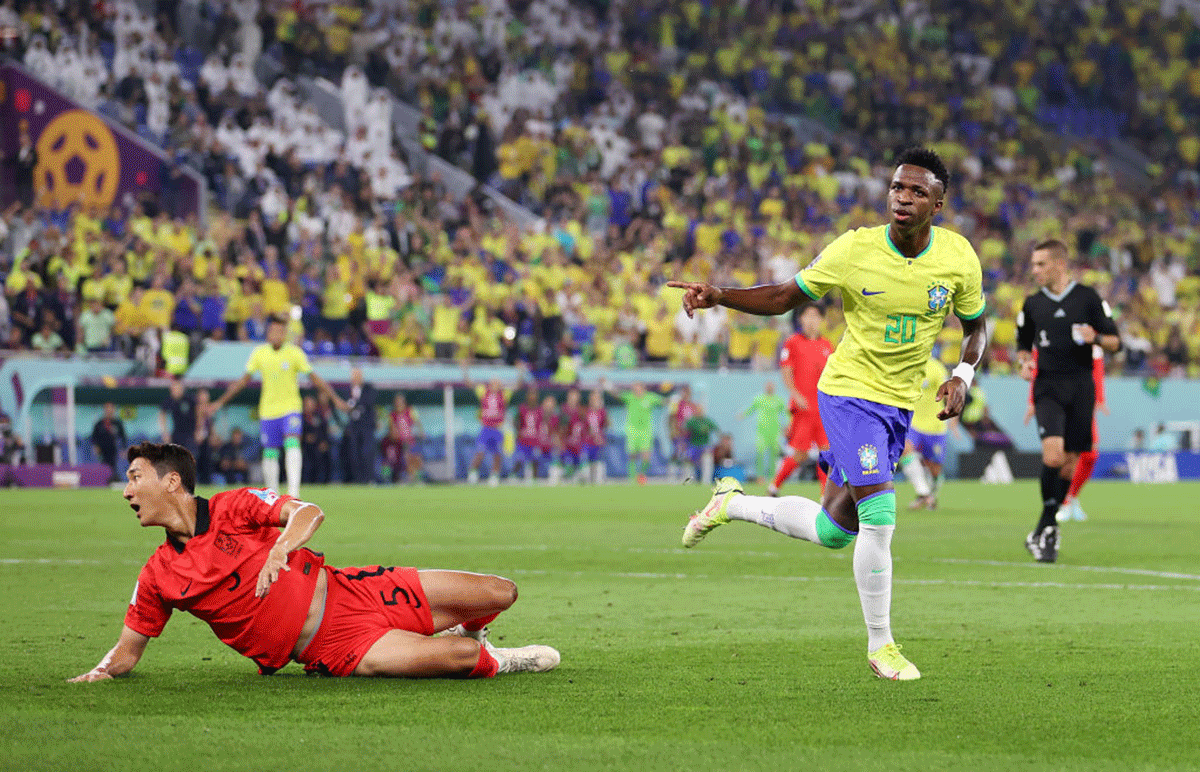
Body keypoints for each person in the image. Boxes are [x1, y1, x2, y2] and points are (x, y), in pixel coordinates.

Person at [668, 147, 987, 681]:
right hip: (847, 394)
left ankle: (731, 504)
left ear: (938, 202)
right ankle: (881, 645)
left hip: (898, 405)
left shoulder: (958, 257)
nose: (902, 198)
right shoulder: (856, 248)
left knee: (835, 530)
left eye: (915, 192)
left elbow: (977, 325)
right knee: (881, 518)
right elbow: (785, 295)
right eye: (896, 188)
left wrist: (963, 375)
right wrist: (719, 294)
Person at [68, 442, 559, 683]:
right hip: (336, 646)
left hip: (353, 589)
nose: (127, 491)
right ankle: (500, 658)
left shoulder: (235, 506)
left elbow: (308, 511)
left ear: (172, 482)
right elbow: (127, 651)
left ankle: (468, 629)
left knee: (501, 592)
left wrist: (282, 547)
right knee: (464, 663)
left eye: (134, 478)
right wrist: (100, 672)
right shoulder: (157, 576)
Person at [1016, 239, 1120, 563]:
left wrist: (1097, 338)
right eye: (1033, 265)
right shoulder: (1032, 304)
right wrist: (1023, 362)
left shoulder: (1089, 299)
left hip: (1081, 387)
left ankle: (1044, 528)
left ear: (1059, 264)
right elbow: (1022, 344)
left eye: (1040, 264)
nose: (1034, 271)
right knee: (1053, 455)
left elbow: (1116, 342)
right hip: (1047, 386)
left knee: (1071, 462)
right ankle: (1049, 527)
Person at [209, 316, 348, 499]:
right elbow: (243, 381)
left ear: (284, 334)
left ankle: (293, 494)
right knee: (270, 453)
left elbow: (314, 378)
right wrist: (220, 402)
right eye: (272, 330)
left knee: (292, 443)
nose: (275, 334)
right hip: (268, 411)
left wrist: (335, 398)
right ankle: (272, 495)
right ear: (268, 332)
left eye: (279, 331)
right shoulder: (260, 353)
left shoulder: (295, 353)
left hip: (290, 408)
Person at [1022, 346, 1107, 523]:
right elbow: (1037, 364)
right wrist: (1032, 400)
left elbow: (1097, 365)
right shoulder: (1049, 329)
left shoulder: (1087, 329)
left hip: (1080, 398)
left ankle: (1070, 497)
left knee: (1090, 455)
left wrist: (1099, 398)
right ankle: (1058, 504)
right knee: (1059, 455)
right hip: (1055, 399)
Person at [769, 304, 833, 495]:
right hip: (804, 408)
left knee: (827, 453)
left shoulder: (827, 345)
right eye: (808, 315)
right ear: (801, 319)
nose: (812, 320)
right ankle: (774, 486)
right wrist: (796, 395)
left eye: (816, 316)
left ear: (822, 320)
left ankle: (825, 497)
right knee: (800, 454)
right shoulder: (792, 342)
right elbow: (786, 370)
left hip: (823, 409)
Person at [901, 357, 959, 510]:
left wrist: (953, 418)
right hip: (914, 423)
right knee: (905, 449)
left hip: (935, 426)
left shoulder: (936, 368)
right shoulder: (906, 364)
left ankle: (930, 496)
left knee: (934, 469)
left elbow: (949, 393)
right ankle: (923, 492)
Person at [608, 380, 664, 484]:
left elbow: (663, 401)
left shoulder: (650, 397)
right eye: (634, 388)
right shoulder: (630, 397)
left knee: (646, 454)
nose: (635, 390)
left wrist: (674, 398)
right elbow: (616, 394)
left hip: (645, 430)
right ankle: (632, 478)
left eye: (637, 387)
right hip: (632, 430)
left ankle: (641, 475)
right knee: (632, 455)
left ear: (642, 388)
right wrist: (607, 384)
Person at [740, 381, 788, 482]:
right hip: (762, 431)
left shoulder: (779, 400)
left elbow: (785, 414)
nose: (770, 388)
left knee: (774, 454)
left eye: (771, 386)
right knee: (760, 453)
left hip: (774, 431)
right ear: (765, 387)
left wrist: (789, 425)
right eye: (768, 386)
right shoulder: (759, 399)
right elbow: (751, 409)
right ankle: (760, 477)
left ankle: (772, 477)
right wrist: (742, 415)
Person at [468, 378, 509, 486]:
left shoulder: (504, 394)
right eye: (493, 383)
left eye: (497, 383)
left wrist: (521, 371)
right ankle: (473, 473)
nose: (495, 385)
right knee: (480, 453)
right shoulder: (484, 392)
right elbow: (469, 383)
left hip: (497, 429)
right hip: (486, 429)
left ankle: (494, 475)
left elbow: (518, 386)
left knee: (497, 454)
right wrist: (465, 369)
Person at [341, 367, 378, 484]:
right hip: (354, 427)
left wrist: (354, 405)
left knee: (366, 452)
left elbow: (368, 402)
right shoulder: (347, 390)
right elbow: (344, 405)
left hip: (366, 427)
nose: (355, 379)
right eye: (354, 376)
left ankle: (368, 479)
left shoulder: (369, 388)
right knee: (354, 453)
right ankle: (357, 479)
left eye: (357, 376)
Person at [385, 392, 425, 483]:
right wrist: (394, 435)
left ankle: (416, 478)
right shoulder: (392, 415)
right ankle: (396, 479)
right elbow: (392, 428)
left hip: (410, 440)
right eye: (397, 401)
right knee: (399, 460)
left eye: (400, 401)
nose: (399, 403)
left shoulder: (410, 411)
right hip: (398, 442)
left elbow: (418, 423)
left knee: (416, 459)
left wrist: (421, 432)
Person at [159, 379, 199, 456]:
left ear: (182, 389)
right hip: (177, 434)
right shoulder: (169, 400)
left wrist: (199, 430)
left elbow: (199, 413)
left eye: (177, 389)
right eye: (173, 389)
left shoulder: (189, 399)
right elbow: (162, 415)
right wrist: (165, 433)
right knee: (176, 457)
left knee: (191, 457)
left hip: (190, 433)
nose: (175, 391)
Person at [667, 384, 699, 482]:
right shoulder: (676, 404)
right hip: (678, 433)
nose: (686, 394)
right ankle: (672, 475)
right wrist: (673, 431)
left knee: (688, 455)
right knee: (677, 453)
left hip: (689, 434)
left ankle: (686, 477)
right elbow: (671, 418)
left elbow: (696, 419)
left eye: (688, 392)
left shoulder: (693, 405)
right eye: (684, 392)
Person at [512, 387, 543, 484]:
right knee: (519, 459)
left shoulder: (539, 409)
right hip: (523, 440)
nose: (533, 397)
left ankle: (534, 479)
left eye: (534, 395)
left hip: (535, 440)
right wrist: (519, 431)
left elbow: (544, 424)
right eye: (531, 395)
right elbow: (516, 421)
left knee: (535, 460)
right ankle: (513, 475)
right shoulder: (522, 408)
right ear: (527, 396)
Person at [300, 395, 333, 484]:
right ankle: (305, 483)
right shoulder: (300, 417)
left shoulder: (319, 416)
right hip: (305, 447)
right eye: (308, 404)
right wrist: (304, 438)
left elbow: (324, 431)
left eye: (312, 404)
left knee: (323, 458)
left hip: (318, 446)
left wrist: (324, 442)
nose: (310, 406)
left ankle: (322, 482)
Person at [91, 402, 128, 482]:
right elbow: (94, 437)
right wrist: (96, 446)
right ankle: (102, 481)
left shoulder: (117, 423)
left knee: (113, 466)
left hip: (113, 449)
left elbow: (123, 437)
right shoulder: (99, 423)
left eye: (111, 408)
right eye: (107, 408)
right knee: (103, 467)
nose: (109, 410)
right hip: (102, 450)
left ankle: (113, 481)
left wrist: (123, 449)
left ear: (114, 410)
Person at [583, 389, 609, 484]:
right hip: (588, 440)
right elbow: (583, 427)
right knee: (588, 460)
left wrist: (603, 409)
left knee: (598, 461)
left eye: (597, 398)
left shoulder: (602, 412)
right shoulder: (585, 411)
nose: (595, 400)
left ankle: (599, 480)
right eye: (594, 398)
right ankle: (588, 479)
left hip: (599, 440)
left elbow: (608, 424)